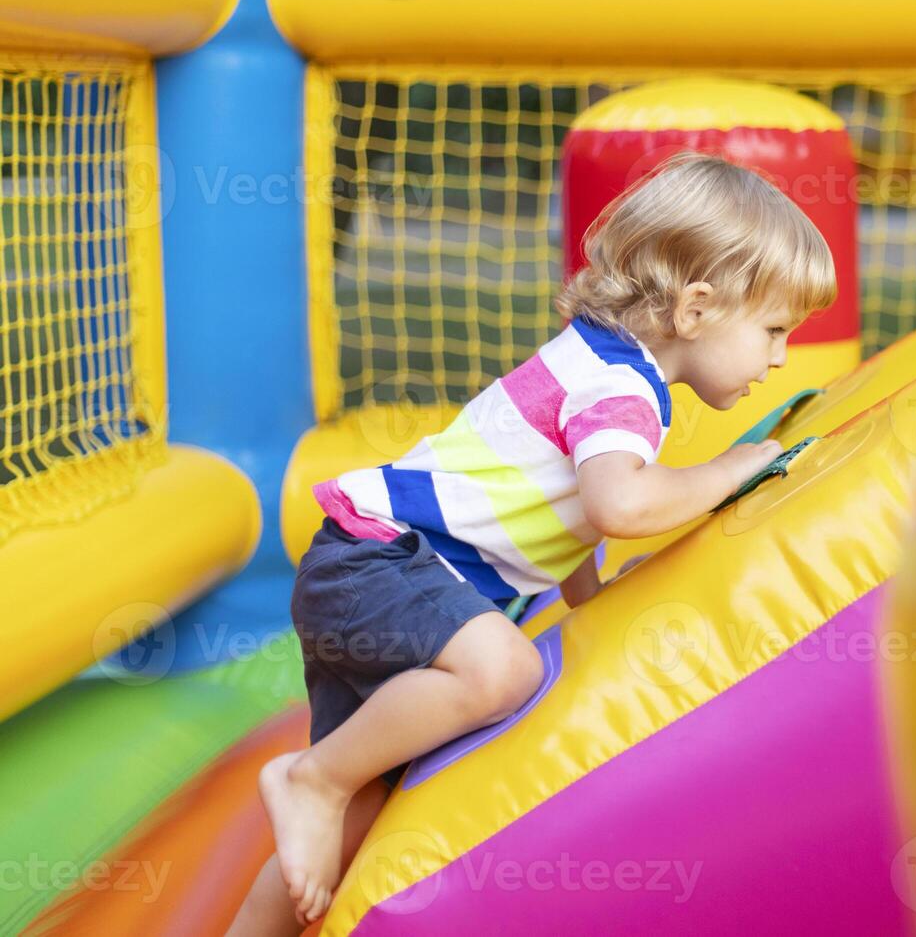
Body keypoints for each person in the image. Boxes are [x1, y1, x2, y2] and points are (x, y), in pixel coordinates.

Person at [227, 149, 838, 933]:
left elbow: (553, 508)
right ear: (694, 309)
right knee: (500, 671)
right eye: (775, 329)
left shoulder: (600, 359)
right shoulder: (621, 390)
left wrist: (592, 602)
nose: (780, 358)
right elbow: (616, 505)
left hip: (369, 574)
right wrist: (724, 473)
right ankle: (311, 778)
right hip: (381, 565)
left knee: (345, 840)